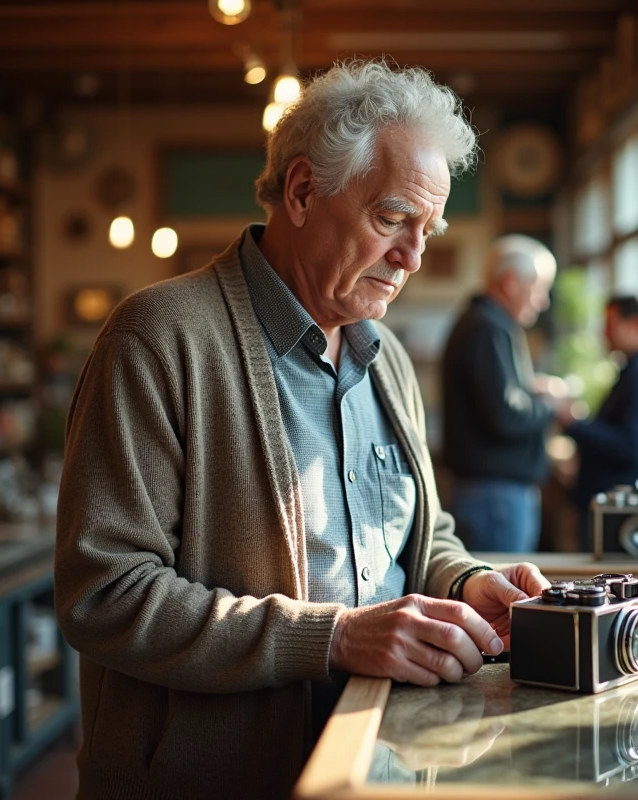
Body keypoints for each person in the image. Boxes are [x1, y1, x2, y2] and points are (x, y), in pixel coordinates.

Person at [54, 61, 550, 800]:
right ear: (301, 191)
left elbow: (421, 535)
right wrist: (336, 636)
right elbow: (106, 593)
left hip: (373, 758)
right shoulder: (158, 337)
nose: (413, 256)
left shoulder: (389, 361)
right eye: (391, 219)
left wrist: (467, 582)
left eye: (427, 229)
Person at [441, 235, 564, 553]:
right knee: (502, 598)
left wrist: (531, 390)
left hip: (491, 495)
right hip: (495, 498)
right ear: (510, 282)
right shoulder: (488, 328)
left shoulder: (485, 323)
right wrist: (550, 403)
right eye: (539, 288)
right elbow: (506, 416)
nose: (542, 301)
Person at [561, 294, 638, 549]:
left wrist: (575, 424)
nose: (604, 333)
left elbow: (633, 445)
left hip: (624, 516)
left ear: (633, 324)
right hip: (617, 510)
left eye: (610, 324)